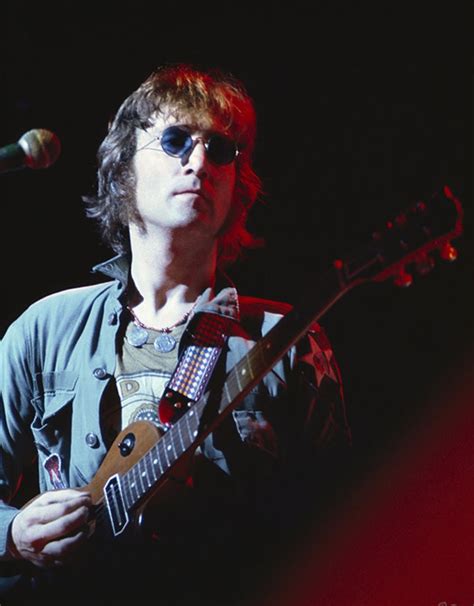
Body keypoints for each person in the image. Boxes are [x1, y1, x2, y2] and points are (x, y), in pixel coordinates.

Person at [0, 64, 351, 604]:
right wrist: (15, 534)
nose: (199, 162)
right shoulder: (46, 329)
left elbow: (345, 524)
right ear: (123, 170)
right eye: (175, 139)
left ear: (238, 187)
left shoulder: (289, 341)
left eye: (221, 150)